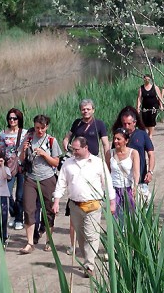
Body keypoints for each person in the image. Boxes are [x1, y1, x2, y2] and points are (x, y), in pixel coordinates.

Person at [52, 137, 116, 278]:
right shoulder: (68, 163)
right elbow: (61, 183)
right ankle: (87, 258)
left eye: (76, 149)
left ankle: (89, 265)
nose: (73, 152)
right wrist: (56, 201)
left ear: (85, 148)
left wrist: (112, 202)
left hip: (93, 205)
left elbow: (107, 183)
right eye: (72, 149)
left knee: (91, 235)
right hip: (75, 205)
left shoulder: (98, 163)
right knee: (80, 236)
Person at [62, 98, 110, 255]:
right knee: (74, 204)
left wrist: (106, 162)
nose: (86, 111)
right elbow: (67, 136)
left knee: (90, 203)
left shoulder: (99, 124)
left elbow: (105, 144)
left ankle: (91, 244)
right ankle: (72, 244)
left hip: (92, 164)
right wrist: (66, 146)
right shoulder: (77, 123)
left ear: (93, 110)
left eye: (88, 109)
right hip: (76, 165)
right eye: (83, 109)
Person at [18, 115, 61, 254]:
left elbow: (56, 162)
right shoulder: (28, 138)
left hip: (47, 178)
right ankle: (30, 242)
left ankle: (49, 240)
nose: (39, 130)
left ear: (46, 127)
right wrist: (24, 150)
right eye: (37, 127)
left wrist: (44, 154)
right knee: (29, 209)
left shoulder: (51, 141)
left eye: (42, 128)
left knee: (48, 210)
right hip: (30, 178)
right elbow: (21, 160)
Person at [112, 106, 155, 206]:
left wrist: (150, 171)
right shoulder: (118, 137)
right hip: (122, 182)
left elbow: (151, 154)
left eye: (129, 124)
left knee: (140, 212)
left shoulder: (142, 134)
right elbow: (113, 155)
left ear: (134, 123)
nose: (126, 126)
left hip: (140, 180)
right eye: (124, 124)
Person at [0, 108, 28, 231]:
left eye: (14, 118)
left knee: (20, 195)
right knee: (6, 193)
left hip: (21, 165)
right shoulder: (3, 133)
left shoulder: (25, 133)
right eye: (10, 118)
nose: (12, 120)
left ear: (19, 119)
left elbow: (28, 149)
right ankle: (13, 213)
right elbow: (1, 150)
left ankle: (19, 220)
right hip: (8, 166)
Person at [105, 128, 140, 223]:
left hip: (128, 188)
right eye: (114, 138)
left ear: (126, 141)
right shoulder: (110, 153)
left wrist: (135, 186)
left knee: (130, 216)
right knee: (115, 216)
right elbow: (107, 172)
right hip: (114, 189)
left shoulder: (133, 153)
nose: (115, 141)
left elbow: (136, 172)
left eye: (118, 139)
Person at [136, 74, 162, 139]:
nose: (147, 80)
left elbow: (160, 97)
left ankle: (150, 134)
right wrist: (138, 107)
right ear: (144, 79)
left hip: (153, 107)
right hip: (145, 107)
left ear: (150, 80)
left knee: (152, 120)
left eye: (148, 79)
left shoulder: (155, 87)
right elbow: (139, 98)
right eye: (145, 79)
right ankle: (147, 132)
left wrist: (161, 105)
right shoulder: (141, 88)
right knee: (145, 120)